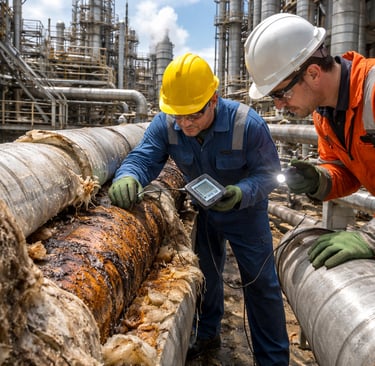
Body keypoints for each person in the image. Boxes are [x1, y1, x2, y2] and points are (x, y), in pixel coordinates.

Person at [108, 53, 289, 365]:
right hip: (206, 211)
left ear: (214, 100)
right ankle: (207, 334)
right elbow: (144, 157)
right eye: (178, 116)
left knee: (261, 286)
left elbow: (269, 174)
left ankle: (272, 360)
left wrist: (240, 192)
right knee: (207, 275)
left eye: (192, 115)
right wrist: (127, 176)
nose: (185, 124)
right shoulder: (167, 122)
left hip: (246, 214)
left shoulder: (247, 124)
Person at [245, 13, 375, 270]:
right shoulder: (324, 115)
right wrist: (319, 180)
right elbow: (347, 173)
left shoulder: (372, 93)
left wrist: (370, 236)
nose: (279, 106)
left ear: (313, 73)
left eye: (281, 94)